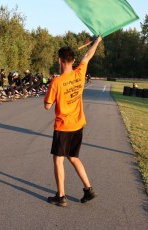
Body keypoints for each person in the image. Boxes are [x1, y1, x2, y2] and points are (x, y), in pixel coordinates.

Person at [44, 35, 102, 207]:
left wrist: (52, 95)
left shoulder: (57, 81)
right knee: (73, 157)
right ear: (73, 60)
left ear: (59, 60)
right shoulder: (80, 72)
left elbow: (47, 106)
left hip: (63, 127)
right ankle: (88, 189)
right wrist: (97, 41)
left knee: (58, 159)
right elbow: (88, 56)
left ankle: (61, 196)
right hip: (78, 124)